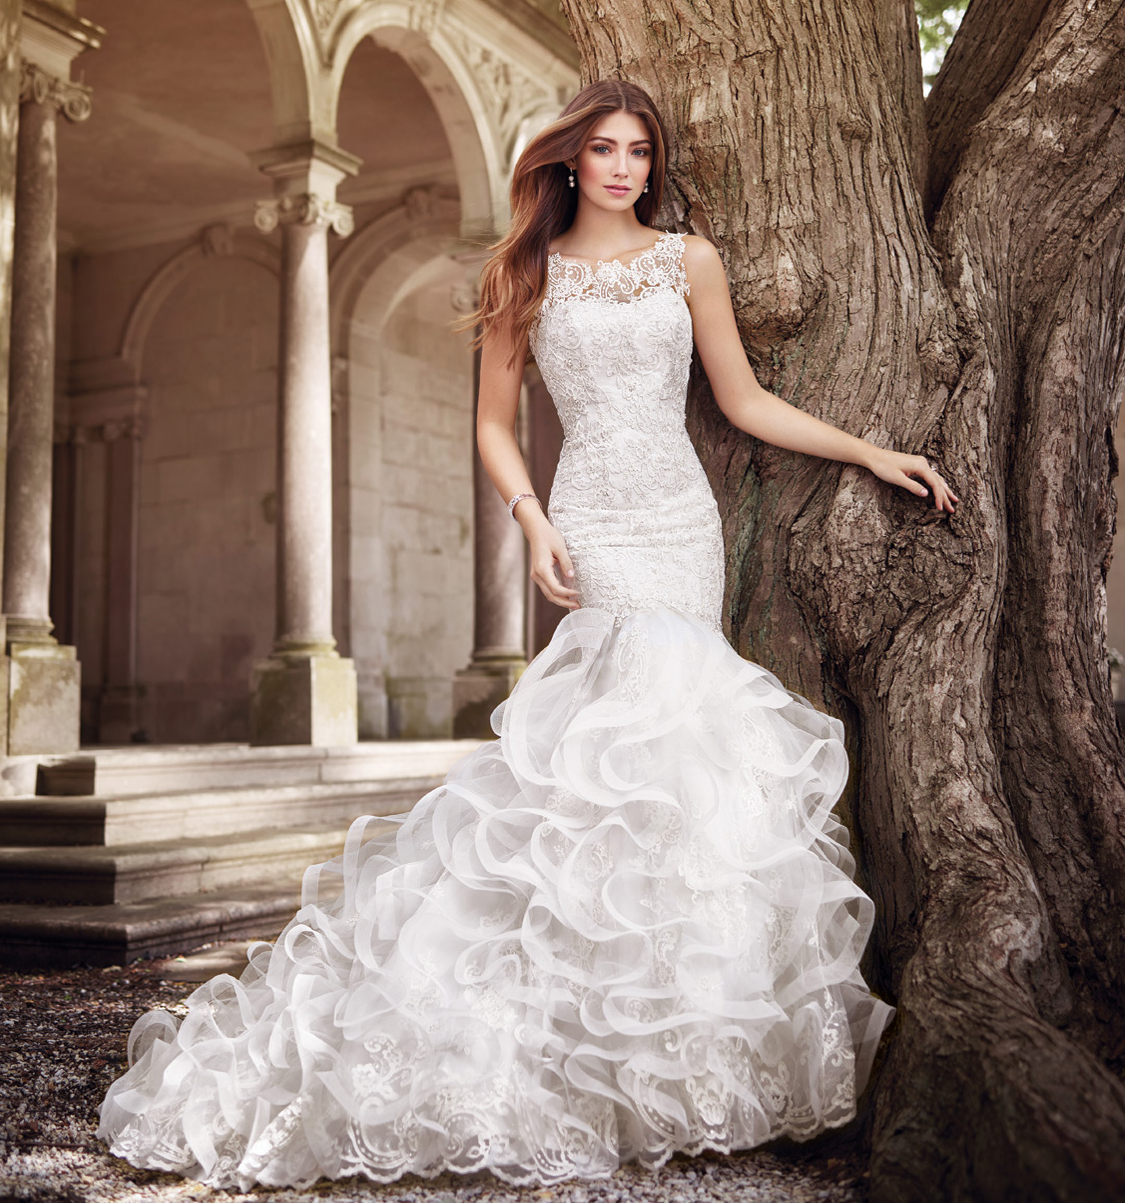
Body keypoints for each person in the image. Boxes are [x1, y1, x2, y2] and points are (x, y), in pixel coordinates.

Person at [98, 80, 956, 1189]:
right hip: (591, 515)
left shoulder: (688, 261)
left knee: (685, 753)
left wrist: (869, 451)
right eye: (603, 149)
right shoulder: (526, 273)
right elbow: (495, 427)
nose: (623, 168)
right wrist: (533, 515)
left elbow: (740, 400)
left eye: (640, 152)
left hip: (678, 520)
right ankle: (565, 1029)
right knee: (596, 752)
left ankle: (688, 1044)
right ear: (567, 160)